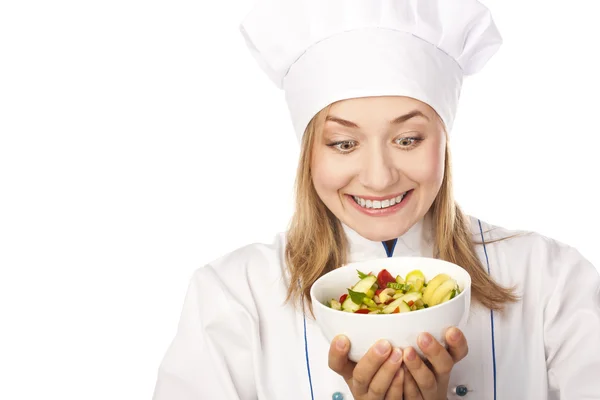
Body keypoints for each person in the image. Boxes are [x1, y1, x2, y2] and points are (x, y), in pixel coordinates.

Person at [152, 0, 600, 399]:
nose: (379, 177)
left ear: (444, 141)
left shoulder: (552, 280)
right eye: (343, 144)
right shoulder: (233, 295)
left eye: (407, 139)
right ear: (308, 154)